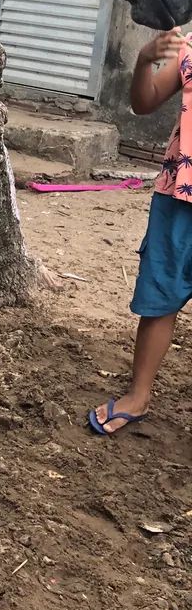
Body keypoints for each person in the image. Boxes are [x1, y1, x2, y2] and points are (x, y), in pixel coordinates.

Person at [89, 27, 191, 434]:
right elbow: (143, 102)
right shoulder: (189, 48)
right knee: (160, 296)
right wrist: (146, 58)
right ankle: (139, 395)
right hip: (178, 195)